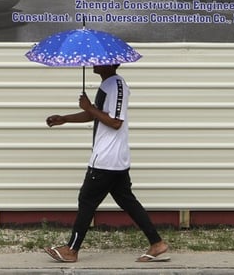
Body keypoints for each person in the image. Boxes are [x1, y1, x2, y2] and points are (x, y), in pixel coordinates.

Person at [43, 64, 170, 264]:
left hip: (107, 159)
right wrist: (65, 118)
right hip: (112, 159)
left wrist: (89, 107)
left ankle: (71, 250)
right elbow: (96, 114)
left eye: (99, 60)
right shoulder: (107, 84)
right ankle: (157, 243)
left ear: (112, 63)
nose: (94, 62)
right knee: (127, 201)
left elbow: (115, 122)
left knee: (86, 200)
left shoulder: (116, 85)